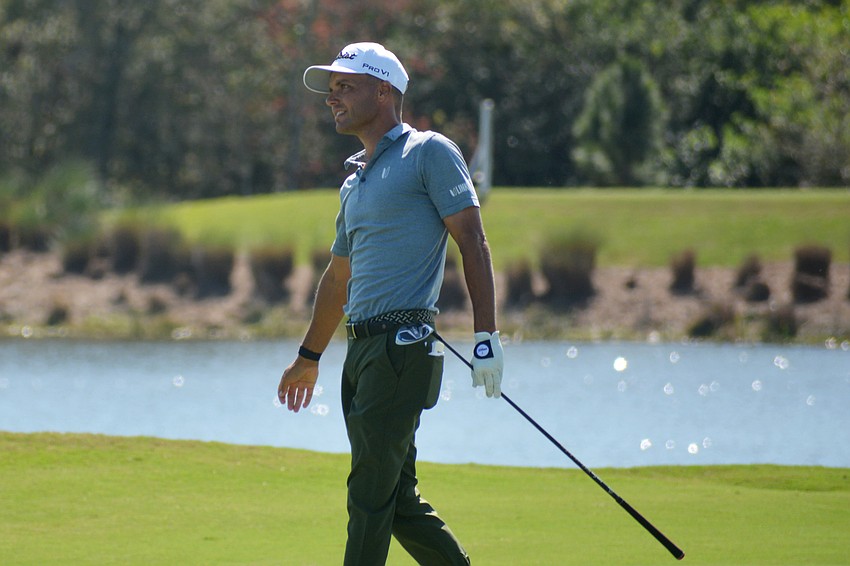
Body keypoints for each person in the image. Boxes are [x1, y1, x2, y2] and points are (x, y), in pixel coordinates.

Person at [277, 42, 503, 566]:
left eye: (345, 87)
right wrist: (308, 358)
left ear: (384, 90)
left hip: (400, 350)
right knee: (396, 500)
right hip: (362, 355)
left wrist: (487, 336)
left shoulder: (428, 152)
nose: (333, 99)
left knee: (369, 498)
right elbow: (339, 278)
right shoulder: (354, 181)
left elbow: (473, 240)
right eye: (331, 90)